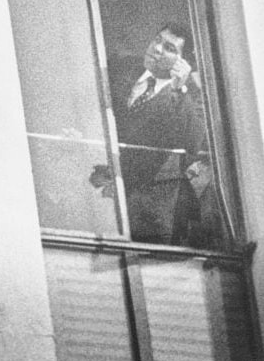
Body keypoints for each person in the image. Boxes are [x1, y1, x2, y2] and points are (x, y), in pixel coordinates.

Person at [90, 23, 212, 244]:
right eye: (157, 40)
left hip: (151, 210)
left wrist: (178, 89)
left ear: (185, 63)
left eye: (169, 48)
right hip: (101, 195)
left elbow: (193, 142)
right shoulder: (120, 70)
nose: (156, 48)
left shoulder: (191, 97)